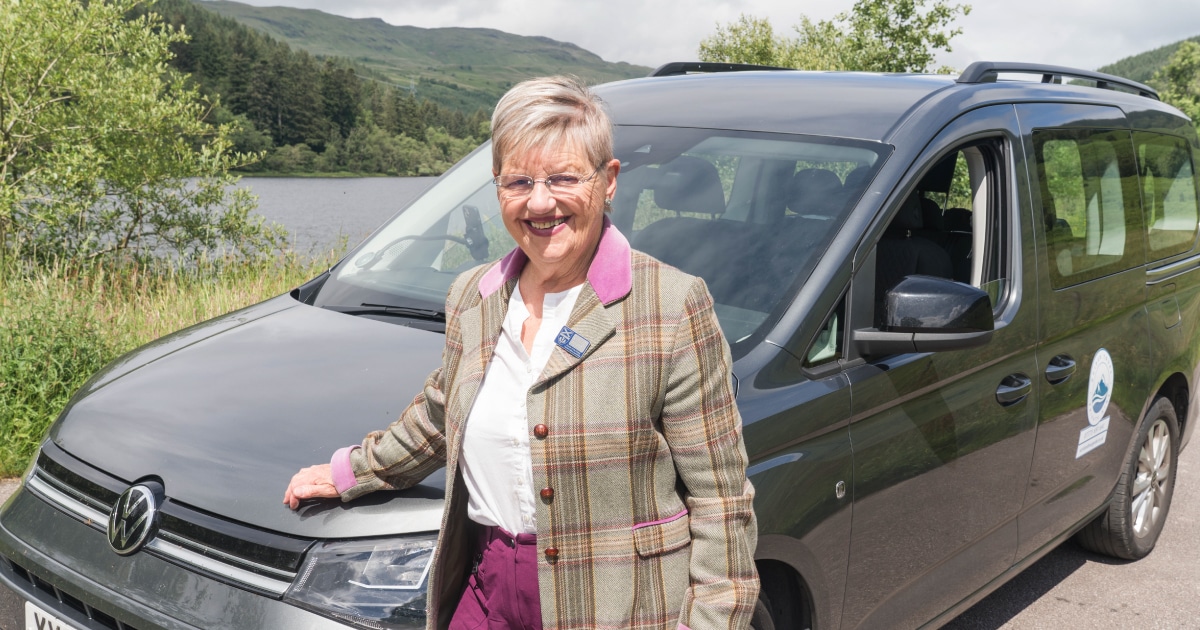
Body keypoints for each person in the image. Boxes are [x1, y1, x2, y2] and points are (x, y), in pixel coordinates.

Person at [283, 75, 759, 630]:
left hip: (617, 606)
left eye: (562, 178)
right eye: (519, 181)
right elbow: (442, 415)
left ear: (608, 181)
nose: (539, 202)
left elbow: (721, 503)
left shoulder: (671, 307)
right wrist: (351, 472)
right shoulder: (474, 297)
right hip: (486, 589)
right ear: (497, 186)